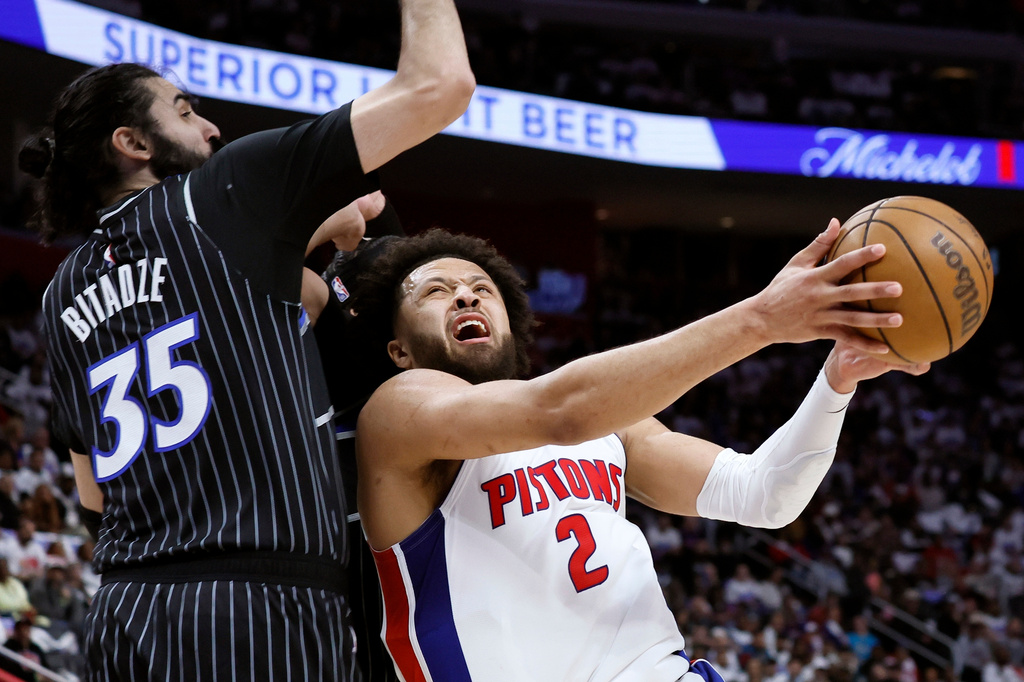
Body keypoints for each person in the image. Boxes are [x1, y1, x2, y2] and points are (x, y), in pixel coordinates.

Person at [17, 0, 475, 677]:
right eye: (182, 110)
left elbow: (91, 494)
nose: (209, 125)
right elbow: (441, 87)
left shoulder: (63, 293)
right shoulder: (221, 193)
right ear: (134, 144)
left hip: (125, 613)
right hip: (257, 604)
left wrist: (311, 232)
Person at [349, 226, 929, 681]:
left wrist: (836, 381)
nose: (465, 294)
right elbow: (560, 410)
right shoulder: (401, 412)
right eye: (435, 291)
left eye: (481, 287)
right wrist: (762, 317)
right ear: (398, 349)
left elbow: (764, 494)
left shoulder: (614, 425)